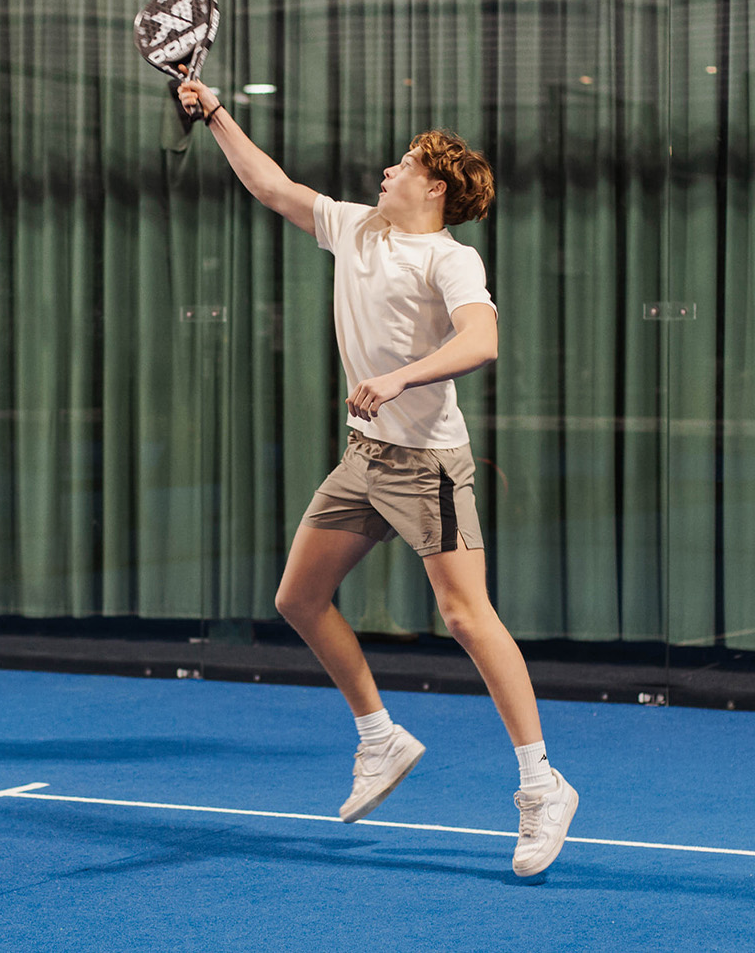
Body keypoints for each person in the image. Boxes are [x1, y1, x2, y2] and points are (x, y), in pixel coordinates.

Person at [177, 75, 578, 878]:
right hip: (363, 459)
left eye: (403, 163)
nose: (387, 170)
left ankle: (542, 785)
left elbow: (481, 342)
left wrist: (402, 378)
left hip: (427, 462)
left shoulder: (450, 257)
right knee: (297, 597)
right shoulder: (357, 229)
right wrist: (215, 110)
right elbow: (271, 184)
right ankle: (380, 736)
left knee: (466, 616)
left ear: (434, 187)